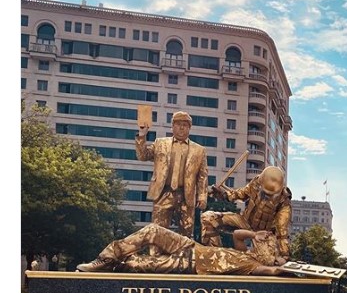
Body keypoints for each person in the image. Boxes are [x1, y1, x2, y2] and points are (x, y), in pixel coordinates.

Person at [76, 223, 284, 276]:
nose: (265, 238)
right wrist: (254, 234)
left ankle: (113, 268)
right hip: (191, 247)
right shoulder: (245, 253)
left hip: (190, 264)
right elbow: (238, 235)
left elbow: (273, 271)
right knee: (153, 230)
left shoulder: (253, 267)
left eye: (267, 241)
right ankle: (106, 259)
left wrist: (287, 266)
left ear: (269, 254)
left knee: (136, 265)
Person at [136, 111, 208, 240]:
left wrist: (202, 196)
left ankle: (184, 258)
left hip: (186, 195)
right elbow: (143, 156)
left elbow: (202, 176)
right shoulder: (160, 143)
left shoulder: (199, 150)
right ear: (172, 126)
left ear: (189, 128)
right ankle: (155, 258)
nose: (181, 127)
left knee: (186, 232)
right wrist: (142, 135)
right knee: (158, 229)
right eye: (178, 124)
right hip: (164, 192)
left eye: (185, 125)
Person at [201, 166, 292, 261]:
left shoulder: (284, 202)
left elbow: (282, 231)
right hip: (244, 221)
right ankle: (215, 255)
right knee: (208, 218)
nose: (267, 196)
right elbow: (241, 194)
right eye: (265, 192)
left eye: (270, 195)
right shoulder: (256, 183)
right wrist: (224, 194)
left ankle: (245, 261)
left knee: (268, 260)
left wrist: (285, 254)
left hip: (264, 233)